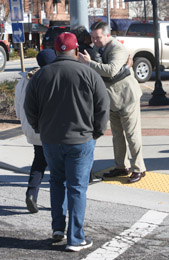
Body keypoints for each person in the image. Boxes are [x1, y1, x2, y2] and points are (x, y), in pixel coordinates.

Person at [24, 32, 109, 252]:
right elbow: (102, 106)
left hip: (51, 140)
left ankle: (58, 229)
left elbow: (29, 109)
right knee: (77, 188)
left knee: (56, 182)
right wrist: (96, 132)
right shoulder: (89, 74)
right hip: (81, 139)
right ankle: (75, 238)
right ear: (77, 51)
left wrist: (40, 129)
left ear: (55, 50)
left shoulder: (41, 75)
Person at [79, 21, 146, 183]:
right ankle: (121, 166)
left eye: (98, 37)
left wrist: (89, 63)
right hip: (111, 100)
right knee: (117, 135)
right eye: (93, 37)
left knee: (132, 134)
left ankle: (139, 169)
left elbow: (111, 71)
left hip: (127, 98)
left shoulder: (117, 48)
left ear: (107, 35)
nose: (95, 40)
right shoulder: (97, 49)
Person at [15, 49, 56, 213]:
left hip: (31, 130)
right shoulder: (50, 79)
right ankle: (58, 200)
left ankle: (31, 194)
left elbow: (18, 109)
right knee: (57, 167)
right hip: (49, 130)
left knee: (39, 162)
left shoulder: (24, 80)